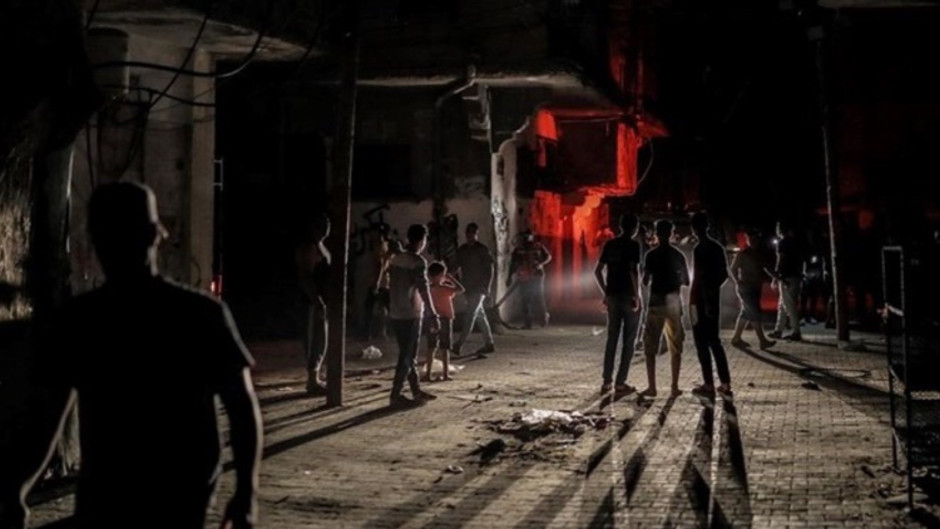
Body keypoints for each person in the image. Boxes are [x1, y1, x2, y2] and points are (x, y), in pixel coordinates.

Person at [0, 182, 261, 529]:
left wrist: (17, 489)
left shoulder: (81, 321)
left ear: (94, 242)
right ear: (156, 234)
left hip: (110, 493)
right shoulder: (199, 314)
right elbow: (242, 408)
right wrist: (245, 493)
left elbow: (47, 417)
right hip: (180, 492)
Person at [387, 224, 440, 407]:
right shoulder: (418, 262)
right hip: (411, 313)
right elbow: (423, 290)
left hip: (395, 311)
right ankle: (396, 394)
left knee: (407, 354)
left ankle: (416, 390)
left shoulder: (396, 259)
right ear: (422, 240)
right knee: (407, 355)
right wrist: (433, 314)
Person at [593, 214, 642, 396]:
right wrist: (637, 296)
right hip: (628, 296)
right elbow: (633, 271)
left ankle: (607, 381)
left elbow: (597, 271)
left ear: (620, 226)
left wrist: (606, 292)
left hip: (613, 297)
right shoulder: (634, 245)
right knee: (629, 341)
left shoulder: (610, 244)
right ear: (634, 227)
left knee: (612, 339)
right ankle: (620, 383)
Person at [640, 219, 690, 398]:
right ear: (671, 233)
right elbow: (686, 281)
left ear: (656, 234)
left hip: (655, 303)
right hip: (674, 303)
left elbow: (645, 281)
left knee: (650, 347)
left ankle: (652, 387)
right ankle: (674, 387)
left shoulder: (651, 255)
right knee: (676, 347)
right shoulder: (678, 255)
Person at [688, 212, 732, 397]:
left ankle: (708, 383)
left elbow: (697, 278)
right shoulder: (717, 247)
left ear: (694, 228)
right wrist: (713, 291)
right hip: (712, 300)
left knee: (701, 342)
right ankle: (725, 382)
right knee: (714, 341)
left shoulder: (699, 249)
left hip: (700, 300)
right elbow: (724, 274)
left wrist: (695, 299)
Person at [296, 213, 331, 396]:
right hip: (313, 301)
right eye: (322, 224)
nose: (326, 228)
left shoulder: (321, 246)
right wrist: (317, 300)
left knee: (321, 339)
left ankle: (315, 378)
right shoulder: (309, 248)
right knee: (314, 339)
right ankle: (312, 380)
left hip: (322, 299)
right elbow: (305, 276)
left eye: (327, 224)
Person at [453, 222, 496, 356]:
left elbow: (490, 269)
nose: (470, 235)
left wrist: (487, 286)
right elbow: (456, 266)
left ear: (477, 234)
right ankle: (489, 343)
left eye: (473, 232)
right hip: (468, 286)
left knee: (470, 315)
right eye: (468, 232)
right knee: (479, 315)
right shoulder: (463, 250)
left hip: (479, 287)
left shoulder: (482, 249)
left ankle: (459, 343)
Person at [730, 229, 777, 350]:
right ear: (747, 240)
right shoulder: (742, 254)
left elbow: (767, 267)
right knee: (754, 313)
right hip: (746, 288)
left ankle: (736, 338)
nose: (752, 241)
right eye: (750, 239)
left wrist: (776, 276)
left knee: (746, 313)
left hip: (755, 287)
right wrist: (738, 281)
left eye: (754, 239)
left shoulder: (759, 254)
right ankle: (762, 340)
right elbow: (733, 269)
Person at [424, 262, 464, 381]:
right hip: (445, 318)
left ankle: (428, 374)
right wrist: (451, 278)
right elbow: (461, 289)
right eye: (443, 274)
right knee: (445, 347)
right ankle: (445, 374)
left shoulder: (428, 288)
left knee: (431, 346)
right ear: (440, 275)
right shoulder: (444, 288)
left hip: (431, 318)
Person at [508, 230, 552, 329]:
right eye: (525, 236)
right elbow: (513, 263)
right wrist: (509, 277)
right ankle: (527, 323)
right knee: (525, 299)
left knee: (538, 297)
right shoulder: (519, 249)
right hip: (524, 276)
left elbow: (548, 257)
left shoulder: (538, 246)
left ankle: (543, 318)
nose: (527, 238)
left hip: (537, 275)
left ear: (532, 237)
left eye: (529, 236)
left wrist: (540, 264)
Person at [768, 221, 805, 341]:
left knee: (788, 305)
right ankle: (778, 330)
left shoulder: (782, 243)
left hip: (786, 277)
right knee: (783, 304)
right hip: (796, 276)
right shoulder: (797, 242)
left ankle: (796, 331)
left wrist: (775, 277)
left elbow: (781, 260)